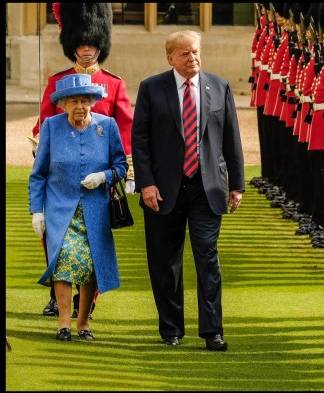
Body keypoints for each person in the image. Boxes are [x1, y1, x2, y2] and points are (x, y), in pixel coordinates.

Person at [132, 30, 245, 351]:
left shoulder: (219, 86)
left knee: (207, 258)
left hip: (206, 188)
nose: (192, 58)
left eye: (195, 52)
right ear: (170, 58)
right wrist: (147, 184)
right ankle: (171, 329)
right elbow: (140, 141)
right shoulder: (152, 88)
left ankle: (213, 331)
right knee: (165, 261)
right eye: (184, 54)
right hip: (163, 190)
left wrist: (236, 184)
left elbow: (230, 139)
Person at [34, 3, 134, 318]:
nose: (86, 49)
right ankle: (57, 293)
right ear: (71, 46)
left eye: (91, 43)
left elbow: (125, 129)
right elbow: (44, 124)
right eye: (80, 43)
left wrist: (126, 172)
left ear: (100, 45)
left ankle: (87, 301)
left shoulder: (114, 84)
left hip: (97, 177)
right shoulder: (57, 81)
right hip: (61, 178)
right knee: (57, 238)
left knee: (93, 241)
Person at [29, 73, 128, 341]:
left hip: (95, 210)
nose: (80, 107)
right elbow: (38, 174)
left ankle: (83, 323)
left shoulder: (107, 126)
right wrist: (36, 211)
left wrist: (103, 177)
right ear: (62, 105)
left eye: (85, 100)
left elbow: (121, 166)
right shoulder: (51, 127)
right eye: (73, 101)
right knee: (63, 261)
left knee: (90, 267)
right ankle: (63, 323)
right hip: (59, 209)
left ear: (94, 101)